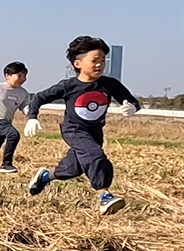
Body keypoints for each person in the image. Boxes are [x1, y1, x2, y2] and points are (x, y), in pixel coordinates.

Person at [24, 36, 140, 215]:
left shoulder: (110, 84)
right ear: (78, 64)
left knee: (72, 169)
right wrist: (32, 117)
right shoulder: (68, 86)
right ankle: (104, 196)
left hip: (95, 131)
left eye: (103, 61)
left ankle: (45, 176)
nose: (100, 65)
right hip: (74, 130)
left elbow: (131, 101)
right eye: (94, 61)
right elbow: (39, 97)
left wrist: (132, 107)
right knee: (95, 155)